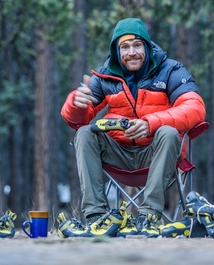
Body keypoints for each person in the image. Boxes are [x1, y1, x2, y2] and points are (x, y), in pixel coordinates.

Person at [60, 18, 206, 238]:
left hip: (157, 154)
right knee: (84, 133)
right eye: (124, 47)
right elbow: (78, 119)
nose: (132, 52)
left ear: (147, 46)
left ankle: (149, 215)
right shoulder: (104, 76)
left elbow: (195, 108)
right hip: (118, 154)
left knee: (166, 131)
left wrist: (151, 123)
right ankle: (96, 216)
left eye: (137, 45)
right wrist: (75, 102)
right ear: (116, 52)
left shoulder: (171, 70)